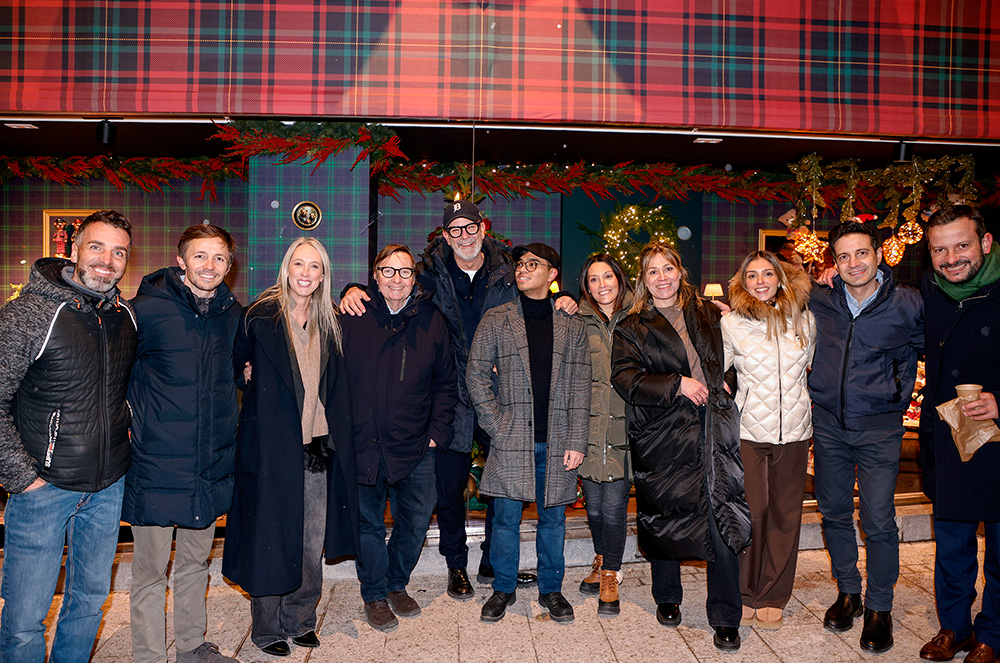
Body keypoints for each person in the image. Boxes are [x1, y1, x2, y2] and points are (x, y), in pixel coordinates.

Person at [339, 201, 575, 599]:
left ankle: (493, 561)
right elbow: (391, 286)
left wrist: (563, 296)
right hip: (451, 394)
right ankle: (456, 564)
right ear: (445, 237)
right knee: (449, 489)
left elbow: (536, 298)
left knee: (507, 485)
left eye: (470, 227)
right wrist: (352, 289)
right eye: (455, 230)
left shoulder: (508, 272)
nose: (464, 236)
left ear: (483, 229)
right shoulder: (427, 273)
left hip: (501, 394)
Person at [0, 210, 137, 663]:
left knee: (89, 603)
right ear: (74, 249)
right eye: (96, 247)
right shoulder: (29, 313)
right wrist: (23, 479)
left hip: (107, 488)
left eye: (119, 252)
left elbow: (126, 391)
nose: (107, 260)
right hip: (43, 490)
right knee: (25, 619)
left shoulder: (124, 317)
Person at [222, 238, 359, 657]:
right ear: (286, 268)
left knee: (310, 541)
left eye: (314, 266)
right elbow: (234, 366)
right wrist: (246, 377)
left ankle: (300, 620)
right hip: (271, 447)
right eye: (299, 264)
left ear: (323, 274)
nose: (305, 273)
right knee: (271, 537)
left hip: (318, 447)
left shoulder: (330, 319)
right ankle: (267, 628)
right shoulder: (258, 316)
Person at [611, 240, 749, 652]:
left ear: (680, 271)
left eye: (668, 268)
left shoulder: (709, 312)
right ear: (643, 279)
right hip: (662, 431)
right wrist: (677, 384)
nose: (662, 278)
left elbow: (735, 357)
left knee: (720, 514)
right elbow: (625, 378)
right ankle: (667, 596)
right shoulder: (632, 325)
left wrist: (728, 381)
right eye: (653, 271)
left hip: (711, 428)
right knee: (665, 514)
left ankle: (725, 615)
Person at [123, 224, 242, 663]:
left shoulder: (232, 315)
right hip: (156, 464)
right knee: (150, 572)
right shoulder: (144, 311)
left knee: (195, 564)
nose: (209, 266)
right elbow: (116, 378)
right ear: (181, 261)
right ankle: (150, 656)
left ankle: (192, 646)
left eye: (219, 258)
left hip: (207, 466)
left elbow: (236, 375)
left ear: (229, 266)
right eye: (200, 256)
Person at [808, 219, 923, 653]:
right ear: (833, 262)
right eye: (843, 256)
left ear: (878, 255)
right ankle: (849, 592)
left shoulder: (908, 303)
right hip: (829, 425)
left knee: (877, 519)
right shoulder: (821, 298)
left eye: (861, 253)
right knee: (834, 513)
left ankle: (879, 606)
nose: (853, 263)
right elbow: (770, 294)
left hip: (879, 426)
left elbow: (937, 346)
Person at [466, 243, 590, 624]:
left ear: (552, 274)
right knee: (505, 521)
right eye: (520, 264)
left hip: (558, 443)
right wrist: (497, 425)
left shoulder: (572, 326)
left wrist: (577, 441)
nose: (522, 269)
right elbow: (475, 374)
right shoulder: (497, 319)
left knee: (553, 522)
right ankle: (503, 589)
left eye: (533, 264)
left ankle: (551, 590)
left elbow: (581, 387)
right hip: (511, 439)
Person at [340, 244, 458, 633]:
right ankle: (374, 594)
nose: (396, 278)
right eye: (388, 271)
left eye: (405, 271)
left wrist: (437, 434)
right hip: (362, 443)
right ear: (375, 276)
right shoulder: (352, 316)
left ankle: (395, 583)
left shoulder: (431, 320)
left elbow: (446, 384)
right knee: (368, 524)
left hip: (416, 445)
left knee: (416, 519)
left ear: (414, 278)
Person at [918, 205, 1000, 663]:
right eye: (940, 250)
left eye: (962, 245)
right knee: (951, 543)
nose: (951, 259)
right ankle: (955, 627)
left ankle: (994, 635)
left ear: (985, 243)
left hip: (998, 438)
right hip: (948, 437)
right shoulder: (931, 288)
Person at [721, 251, 816, 630]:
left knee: (785, 515)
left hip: (795, 433)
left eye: (767, 273)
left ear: (780, 278)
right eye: (752, 275)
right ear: (742, 283)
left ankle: (773, 594)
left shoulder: (805, 319)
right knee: (752, 512)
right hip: (748, 433)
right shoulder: (732, 323)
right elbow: (716, 370)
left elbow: (810, 369)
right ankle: (745, 592)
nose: (760, 281)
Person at [575, 253, 633, 617]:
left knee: (613, 508)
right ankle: (601, 558)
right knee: (594, 507)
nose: (602, 285)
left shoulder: (639, 318)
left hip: (625, 429)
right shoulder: (576, 321)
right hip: (589, 430)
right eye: (593, 279)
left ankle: (611, 572)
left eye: (607, 276)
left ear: (619, 279)